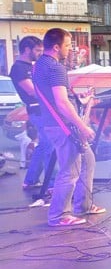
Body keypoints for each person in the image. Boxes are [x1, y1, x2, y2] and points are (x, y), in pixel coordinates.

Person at [32, 28, 103, 227]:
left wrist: (80, 100)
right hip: (64, 126)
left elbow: (53, 98)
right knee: (70, 171)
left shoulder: (39, 66)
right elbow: (62, 103)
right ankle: (59, 215)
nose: (70, 49)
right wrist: (83, 126)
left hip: (53, 123)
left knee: (87, 159)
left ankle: (84, 205)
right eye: (67, 45)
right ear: (56, 47)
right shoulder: (56, 68)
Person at [10, 35, 54, 190]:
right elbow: (32, 91)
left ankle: (31, 180)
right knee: (50, 145)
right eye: (37, 50)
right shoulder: (18, 68)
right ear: (26, 49)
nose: (40, 53)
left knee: (43, 145)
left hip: (42, 109)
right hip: (37, 110)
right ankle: (52, 184)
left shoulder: (33, 66)